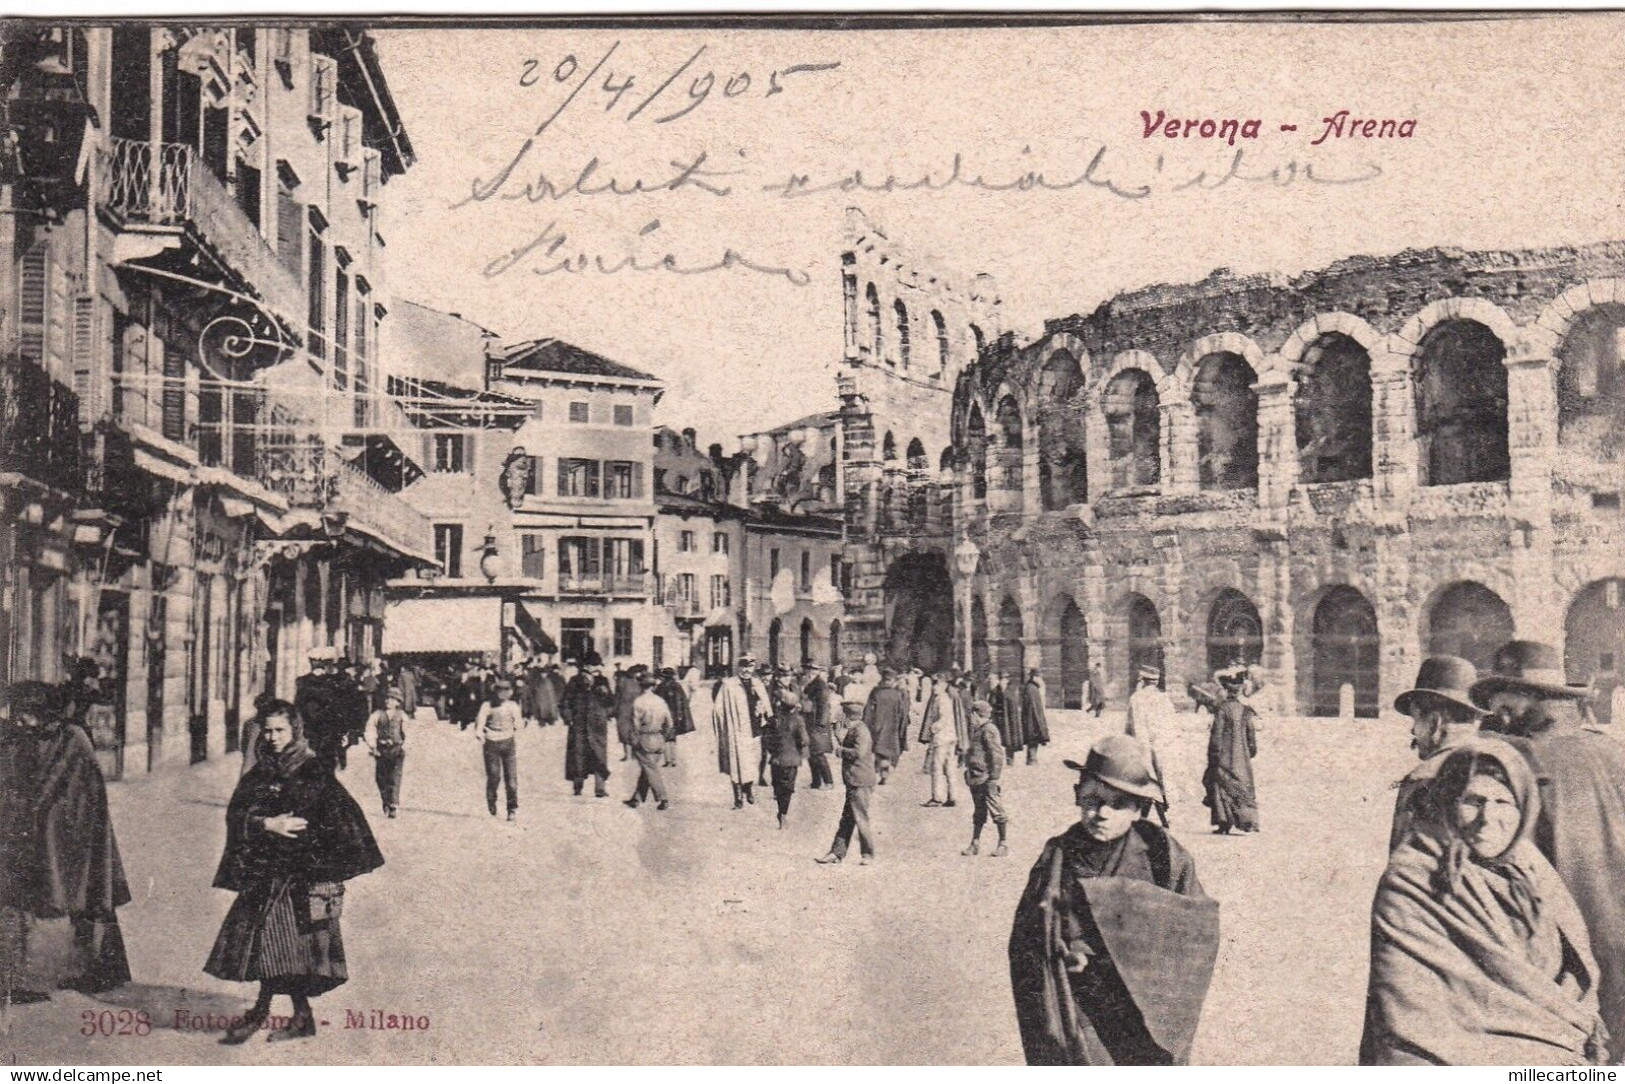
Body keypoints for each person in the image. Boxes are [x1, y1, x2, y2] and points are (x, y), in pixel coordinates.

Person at [1359, 738, 1608, 1065]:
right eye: (1473, 801)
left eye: (1503, 802)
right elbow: (1413, 1014)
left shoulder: (1530, 867)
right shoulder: (1414, 878)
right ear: (1448, 803)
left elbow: (1576, 974)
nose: (1488, 818)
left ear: (1524, 808)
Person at [1009, 734, 1219, 1065]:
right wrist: (1059, 953)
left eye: (1118, 803)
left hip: (1145, 1007)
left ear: (1139, 809)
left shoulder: (1163, 856)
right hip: (1079, 1004)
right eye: (1092, 800)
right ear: (1077, 796)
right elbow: (1026, 937)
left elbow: (1194, 932)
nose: (1102, 813)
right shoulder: (1057, 857)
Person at [1471, 640, 1625, 1062]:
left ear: (1534, 697)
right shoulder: (1613, 753)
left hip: (1556, 940)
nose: (1495, 707)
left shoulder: (1512, 760)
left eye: (1503, 694)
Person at [205, 700, 383, 1044]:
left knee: (275, 944)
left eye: (279, 730)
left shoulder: (311, 769)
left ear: (295, 731)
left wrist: (317, 853)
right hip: (268, 872)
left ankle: (264, 1014)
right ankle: (295, 1016)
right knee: (277, 947)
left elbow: (341, 818)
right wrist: (266, 823)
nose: (272, 737)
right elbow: (238, 812)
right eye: (267, 730)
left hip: (299, 875)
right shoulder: (262, 770)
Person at [0, 682, 131, 1001]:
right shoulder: (28, 738)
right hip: (46, 834)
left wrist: (32, 812)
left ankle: (95, 971)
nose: (19, 721)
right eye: (16, 714)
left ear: (42, 712)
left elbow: (61, 785)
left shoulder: (72, 738)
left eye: (25, 715)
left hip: (78, 840)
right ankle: (23, 977)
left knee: (86, 900)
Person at [1388, 656, 1488, 851]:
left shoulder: (1424, 778)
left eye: (1416, 721)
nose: (1412, 731)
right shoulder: (1499, 766)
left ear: (1435, 723)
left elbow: (1406, 864)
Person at [816, 696, 878, 866]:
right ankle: (837, 853)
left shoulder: (861, 731)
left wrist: (841, 751)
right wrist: (837, 735)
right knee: (848, 818)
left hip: (860, 781)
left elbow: (858, 752)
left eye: (843, 713)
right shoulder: (857, 729)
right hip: (855, 780)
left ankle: (868, 854)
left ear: (848, 715)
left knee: (860, 818)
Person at [1202, 669, 1259, 834]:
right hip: (1242, 759)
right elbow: (1251, 739)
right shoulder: (1246, 711)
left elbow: (1216, 736)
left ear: (1226, 690)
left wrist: (1213, 755)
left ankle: (1224, 823)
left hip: (1224, 757)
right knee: (1242, 786)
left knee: (1222, 787)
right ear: (1240, 689)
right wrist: (1249, 753)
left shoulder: (1222, 710)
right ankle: (1247, 822)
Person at [295, 647, 364, 774]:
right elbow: (342, 708)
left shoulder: (302, 682)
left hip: (312, 730)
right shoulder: (333, 683)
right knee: (326, 764)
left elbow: (298, 707)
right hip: (328, 731)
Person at [1125, 667, 1174, 828]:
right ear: (1156, 681)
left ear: (1143, 681)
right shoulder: (1164, 698)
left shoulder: (1136, 698)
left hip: (1142, 745)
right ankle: (1161, 815)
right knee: (1160, 781)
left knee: (1145, 781)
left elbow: (1131, 725)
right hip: (1162, 746)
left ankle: (1144, 817)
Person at [563, 654, 615, 798]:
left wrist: (605, 713)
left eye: (597, 665)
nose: (597, 668)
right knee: (578, 756)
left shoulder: (602, 680)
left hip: (598, 725)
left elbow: (611, 701)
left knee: (599, 755)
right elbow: (566, 702)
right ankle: (578, 787)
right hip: (579, 724)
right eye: (594, 665)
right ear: (586, 666)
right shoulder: (574, 681)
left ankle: (600, 789)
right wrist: (569, 718)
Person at [961, 700, 1009, 857]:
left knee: (997, 810)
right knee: (979, 811)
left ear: (976, 714)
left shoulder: (988, 730)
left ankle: (1003, 844)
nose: (970, 719)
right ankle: (975, 843)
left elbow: (996, 755)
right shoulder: (979, 729)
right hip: (976, 776)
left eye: (972, 716)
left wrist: (994, 778)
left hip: (987, 778)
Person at [473, 678, 524, 822]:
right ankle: (491, 800)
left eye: (506, 691)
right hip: (491, 743)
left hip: (508, 742)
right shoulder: (487, 705)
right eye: (500, 691)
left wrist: (518, 731)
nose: (503, 694)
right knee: (494, 776)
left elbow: (518, 723)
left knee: (512, 779)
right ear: (495, 691)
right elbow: (481, 720)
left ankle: (512, 808)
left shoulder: (513, 706)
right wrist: (479, 733)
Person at [624, 670, 673, 811]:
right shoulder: (660, 701)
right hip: (659, 738)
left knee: (650, 770)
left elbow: (635, 725)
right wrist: (663, 736)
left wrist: (633, 740)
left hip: (644, 738)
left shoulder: (638, 702)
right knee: (648, 769)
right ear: (653, 686)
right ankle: (636, 799)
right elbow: (669, 723)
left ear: (641, 686)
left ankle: (663, 798)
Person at [766, 676, 810, 829]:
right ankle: (783, 813)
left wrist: (773, 750)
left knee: (777, 785)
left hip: (776, 758)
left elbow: (766, 738)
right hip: (791, 759)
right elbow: (804, 740)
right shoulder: (798, 720)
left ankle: (780, 810)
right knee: (788, 787)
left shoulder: (774, 719)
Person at [919, 668, 966, 808]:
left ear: (944, 685)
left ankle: (937, 797)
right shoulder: (947, 698)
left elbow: (944, 718)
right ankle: (953, 796)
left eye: (937, 684)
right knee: (950, 767)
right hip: (951, 737)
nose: (934, 687)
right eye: (934, 684)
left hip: (941, 738)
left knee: (937, 768)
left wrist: (933, 728)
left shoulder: (942, 699)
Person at [361, 687, 410, 819]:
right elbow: (369, 729)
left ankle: (393, 804)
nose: (389, 701)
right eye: (387, 698)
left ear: (398, 702)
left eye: (393, 699)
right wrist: (372, 745)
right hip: (381, 750)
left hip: (397, 749)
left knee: (395, 777)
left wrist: (405, 746)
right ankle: (386, 801)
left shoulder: (402, 716)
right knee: (381, 777)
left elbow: (409, 733)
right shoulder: (377, 714)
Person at [862, 668, 910, 785]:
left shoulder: (876, 692)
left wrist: (866, 725)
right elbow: (903, 713)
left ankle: (879, 771)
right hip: (893, 728)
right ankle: (885, 773)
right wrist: (902, 728)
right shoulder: (897, 694)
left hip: (877, 727)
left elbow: (868, 711)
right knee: (889, 751)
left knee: (879, 750)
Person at [801, 662, 835, 790]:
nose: (809, 673)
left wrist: (820, 723)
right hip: (811, 722)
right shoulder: (812, 684)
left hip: (817, 724)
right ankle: (816, 782)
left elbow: (824, 706)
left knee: (818, 753)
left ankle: (828, 782)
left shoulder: (820, 685)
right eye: (808, 670)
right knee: (811, 753)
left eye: (812, 670)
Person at [653, 667, 695, 767]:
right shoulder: (677, 686)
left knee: (665, 737)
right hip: (675, 715)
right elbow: (681, 702)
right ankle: (674, 760)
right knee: (672, 738)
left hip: (663, 714)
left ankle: (667, 760)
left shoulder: (661, 687)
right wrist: (680, 715)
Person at [1020, 668, 1050, 765]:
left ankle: (1032, 758)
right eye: (1038, 676)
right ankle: (1031, 759)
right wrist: (1038, 720)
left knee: (1035, 738)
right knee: (1033, 737)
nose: (1040, 679)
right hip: (1032, 718)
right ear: (1034, 677)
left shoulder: (1033, 687)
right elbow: (1032, 706)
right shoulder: (1031, 688)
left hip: (1034, 717)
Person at [1001, 672, 1027, 767]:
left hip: (1010, 721)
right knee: (1010, 740)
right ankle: (1010, 760)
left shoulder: (1007, 693)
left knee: (1009, 740)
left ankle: (1010, 760)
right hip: (1011, 721)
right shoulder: (1010, 693)